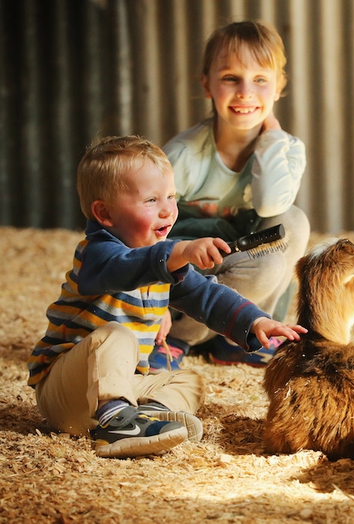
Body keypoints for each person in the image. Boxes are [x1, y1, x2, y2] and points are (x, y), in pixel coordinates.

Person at [28, 136, 306, 459]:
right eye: (151, 201)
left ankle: (150, 416)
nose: (168, 210)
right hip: (65, 390)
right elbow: (128, 268)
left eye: (172, 197)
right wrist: (178, 251)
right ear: (104, 213)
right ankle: (118, 423)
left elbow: (207, 296)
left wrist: (254, 320)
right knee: (116, 337)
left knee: (190, 381)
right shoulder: (98, 254)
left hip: (113, 389)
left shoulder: (158, 262)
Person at [147, 19, 310, 371]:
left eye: (261, 80)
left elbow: (270, 204)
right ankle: (178, 338)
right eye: (230, 78)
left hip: (240, 265)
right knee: (265, 266)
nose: (245, 92)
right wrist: (156, 303)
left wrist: (269, 141)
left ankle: (234, 339)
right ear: (207, 84)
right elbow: (144, 235)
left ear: (279, 86)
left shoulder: (287, 150)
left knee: (294, 221)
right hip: (186, 277)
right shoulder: (183, 157)